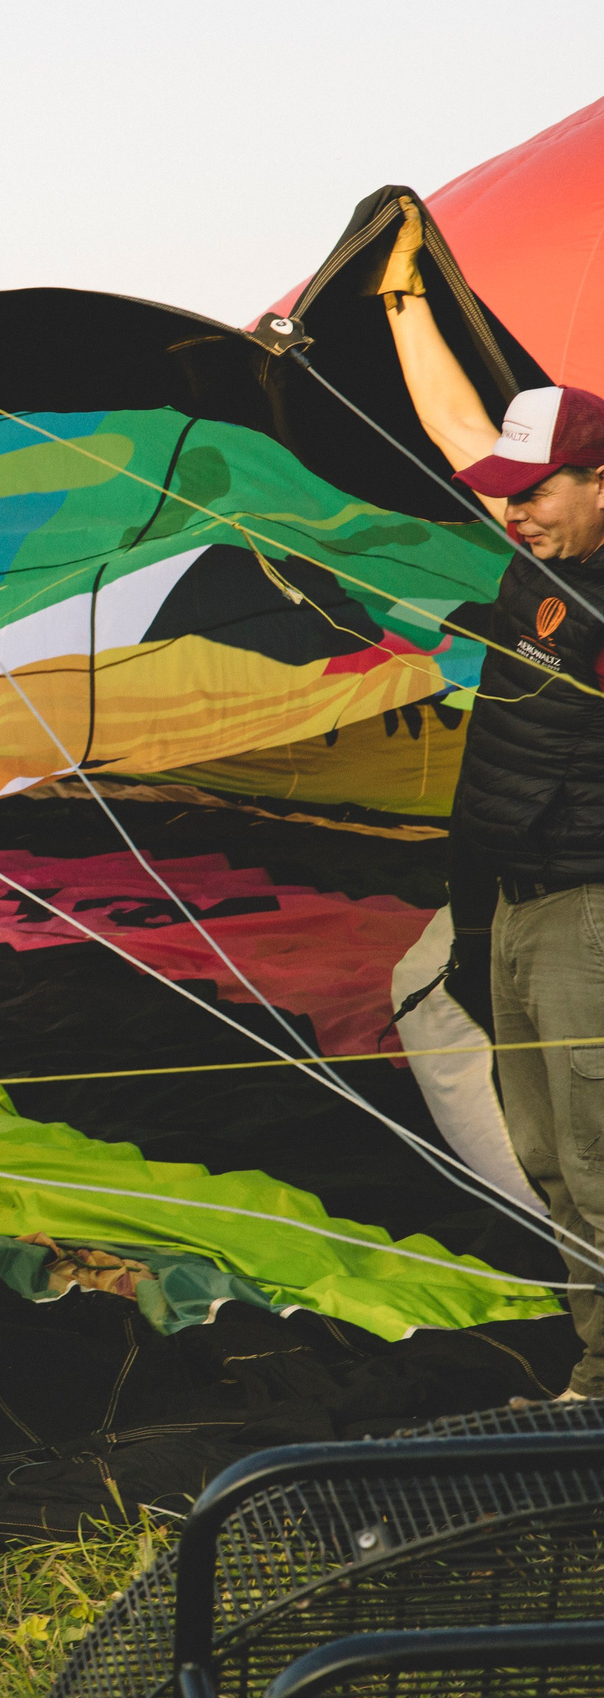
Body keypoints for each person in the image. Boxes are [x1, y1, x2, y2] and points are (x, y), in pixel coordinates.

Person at [376, 198, 604, 1399]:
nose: (513, 510)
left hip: (590, 906)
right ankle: (589, 1376)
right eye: (507, 494)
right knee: (555, 1164)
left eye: (542, 491)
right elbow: (459, 427)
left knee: (596, 1152)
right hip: (507, 901)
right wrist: (401, 297)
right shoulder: (535, 556)